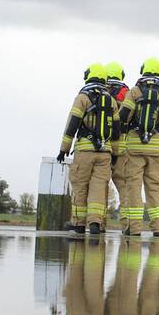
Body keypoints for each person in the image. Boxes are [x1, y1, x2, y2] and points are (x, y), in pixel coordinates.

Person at [117, 58, 159, 236]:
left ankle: (134, 228)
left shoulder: (134, 91)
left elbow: (123, 116)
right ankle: (158, 227)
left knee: (133, 187)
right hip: (156, 148)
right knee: (155, 188)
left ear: (144, 70)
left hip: (135, 147)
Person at [57, 64, 116, 235]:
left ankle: (78, 223)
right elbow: (116, 130)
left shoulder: (82, 97)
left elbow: (72, 124)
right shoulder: (111, 100)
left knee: (80, 185)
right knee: (99, 188)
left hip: (84, 151)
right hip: (105, 152)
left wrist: (64, 149)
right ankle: (95, 223)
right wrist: (115, 153)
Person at [106, 62, 130, 231]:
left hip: (103, 146)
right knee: (124, 188)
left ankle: (98, 223)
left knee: (99, 187)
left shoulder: (100, 92)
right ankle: (127, 224)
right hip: (122, 146)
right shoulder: (128, 93)